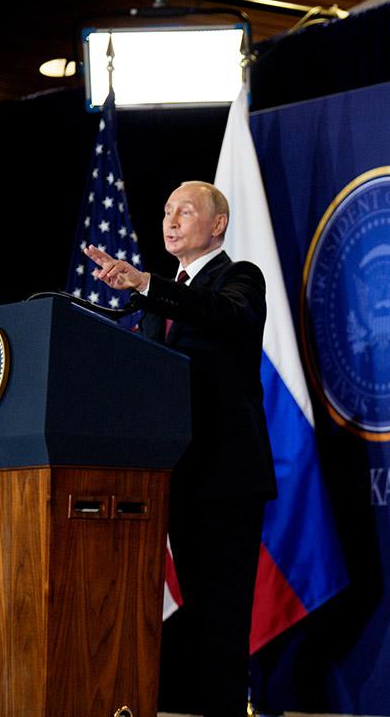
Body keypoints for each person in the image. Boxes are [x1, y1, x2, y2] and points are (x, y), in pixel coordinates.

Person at [85, 181, 276, 717]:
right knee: (196, 622)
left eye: (185, 211)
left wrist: (147, 283)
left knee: (223, 620)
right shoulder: (155, 302)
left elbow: (221, 314)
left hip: (226, 482)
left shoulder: (240, 279)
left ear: (217, 224)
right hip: (173, 479)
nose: (170, 220)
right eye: (167, 211)